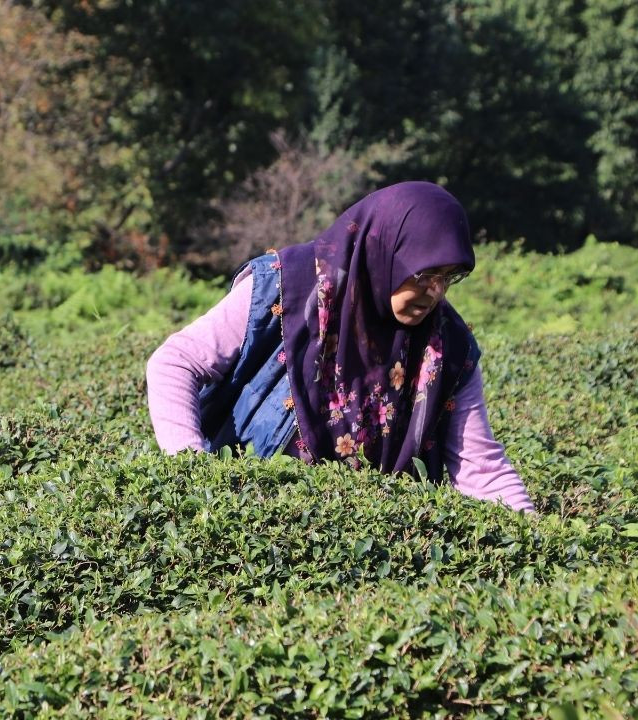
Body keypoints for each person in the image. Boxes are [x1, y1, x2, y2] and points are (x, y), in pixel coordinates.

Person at [146, 181, 533, 512]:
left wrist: (540, 543)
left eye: (448, 277)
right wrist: (193, 477)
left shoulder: (448, 345)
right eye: (424, 274)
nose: (435, 292)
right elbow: (175, 362)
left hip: (371, 550)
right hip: (251, 517)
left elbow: (481, 466)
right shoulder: (284, 285)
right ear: (386, 251)